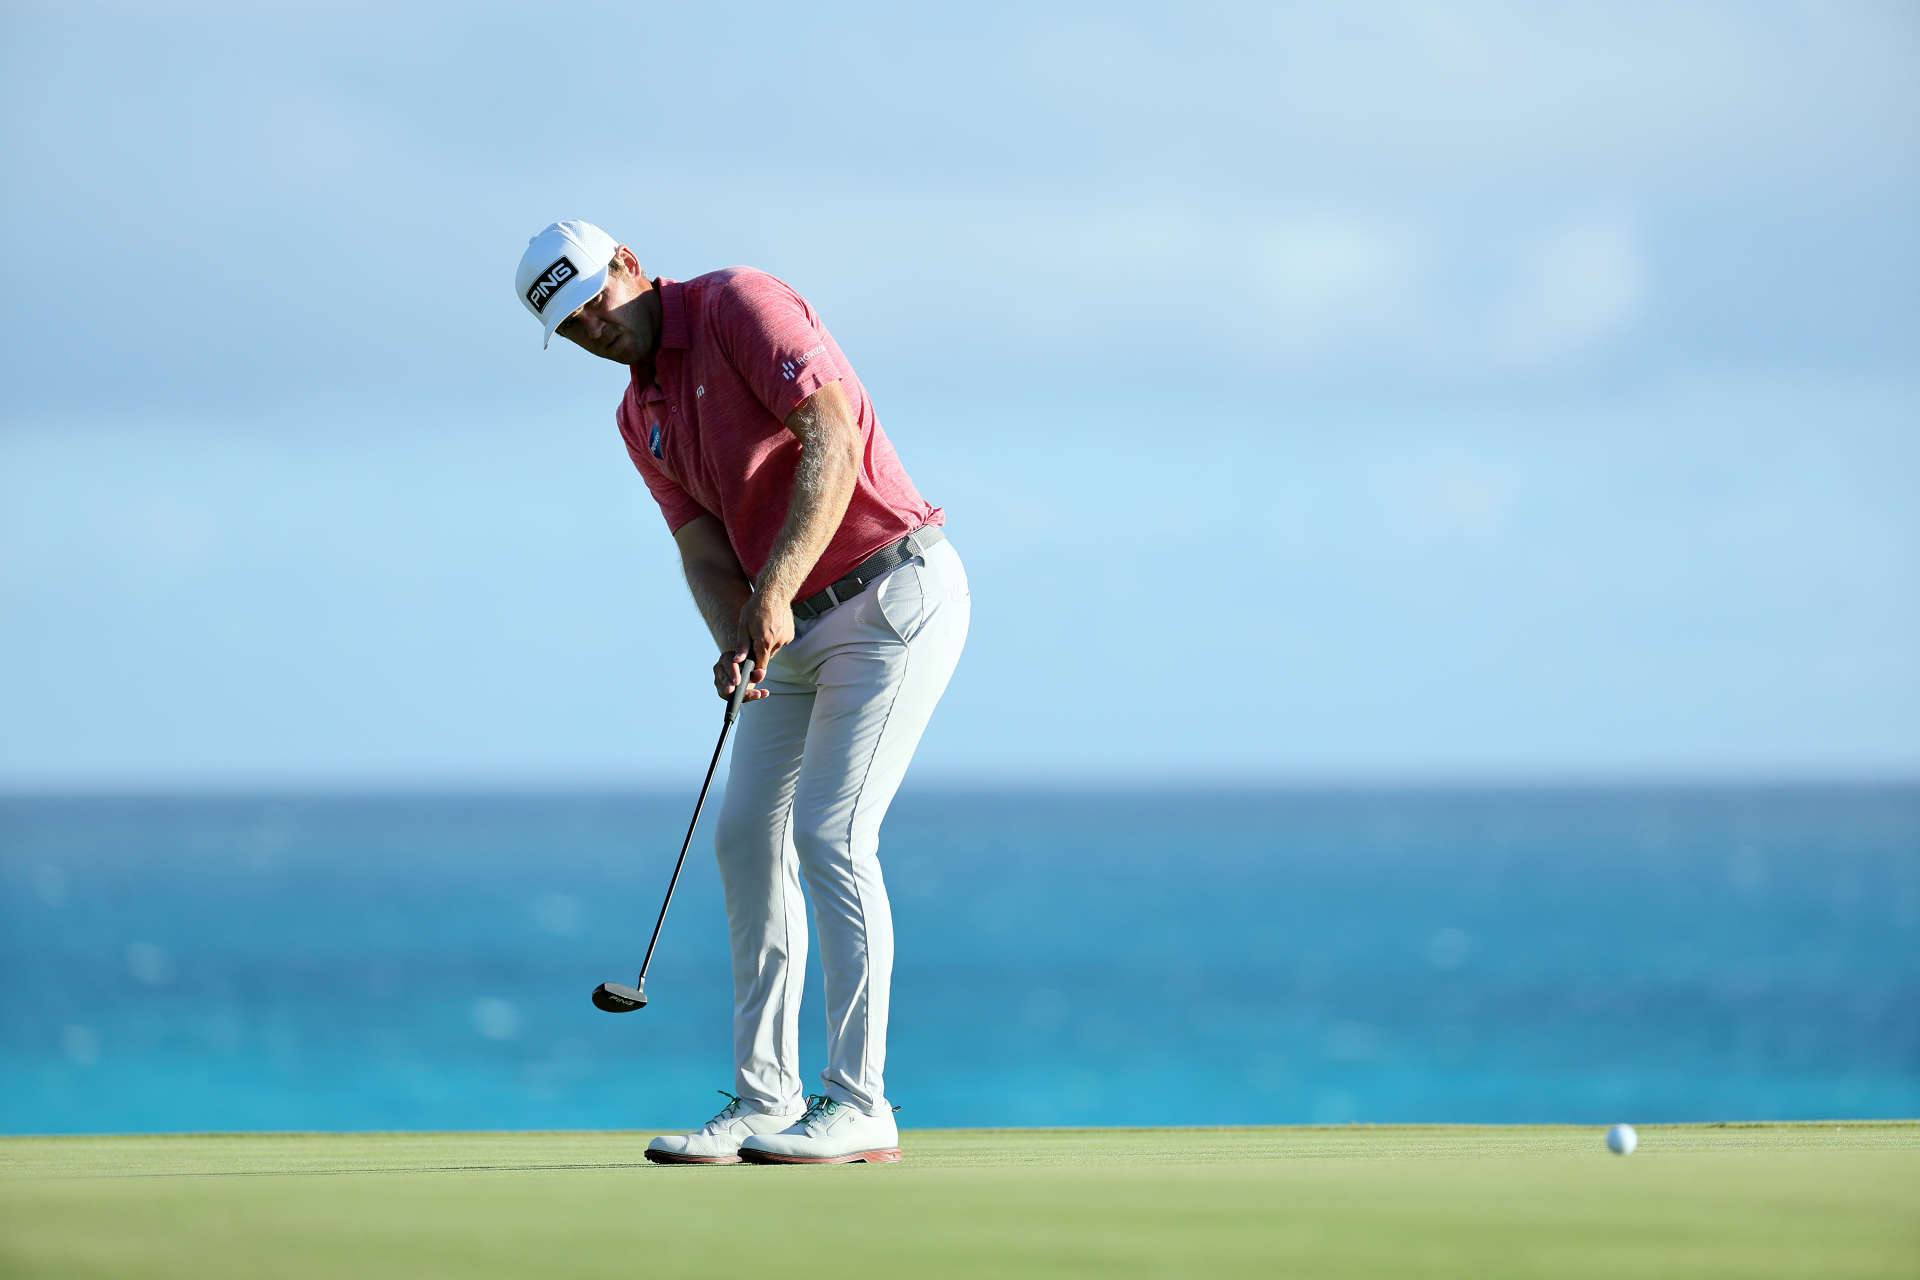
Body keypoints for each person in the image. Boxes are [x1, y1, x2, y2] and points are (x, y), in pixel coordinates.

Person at [514, 220, 970, 1164]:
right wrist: (737, 635)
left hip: (892, 593)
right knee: (745, 841)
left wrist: (770, 596)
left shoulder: (736, 303)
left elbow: (831, 439)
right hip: (794, 625)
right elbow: (701, 546)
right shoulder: (635, 416)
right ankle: (765, 1099)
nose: (591, 328)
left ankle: (861, 1104)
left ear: (630, 263)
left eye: (594, 299)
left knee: (832, 834)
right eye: (568, 326)